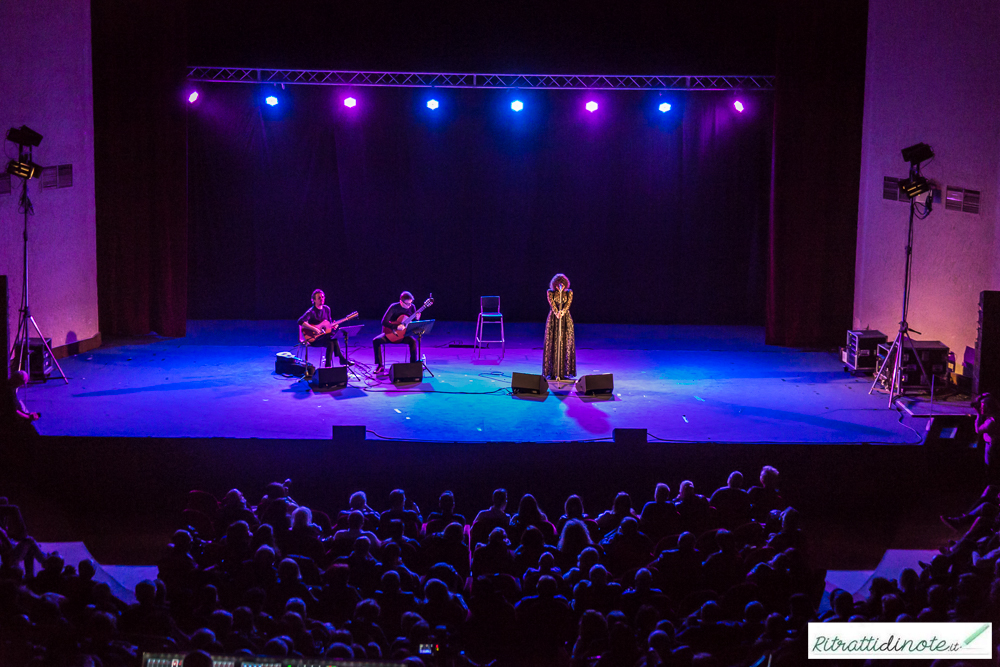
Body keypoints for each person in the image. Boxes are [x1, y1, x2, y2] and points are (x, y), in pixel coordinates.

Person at [297, 289, 349, 367]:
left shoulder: (327, 309)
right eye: (319, 298)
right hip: (314, 338)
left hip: (325, 337)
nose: (322, 299)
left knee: (331, 341)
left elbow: (329, 323)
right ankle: (339, 360)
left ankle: (329, 365)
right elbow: (300, 321)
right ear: (314, 300)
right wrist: (314, 329)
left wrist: (334, 326)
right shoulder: (311, 312)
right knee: (332, 340)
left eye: (322, 297)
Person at [373, 291, 419, 373]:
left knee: (413, 342)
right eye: (407, 304)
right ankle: (380, 366)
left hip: (403, 335)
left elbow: (413, 323)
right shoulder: (394, 307)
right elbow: (384, 322)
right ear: (401, 301)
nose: (409, 306)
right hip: (391, 333)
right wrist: (396, 326)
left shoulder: (412, 307)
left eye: (410, 303)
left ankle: (413, 365)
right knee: (376, 340)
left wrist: (417, 319)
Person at [543, 273, 575, 380]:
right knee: (553, 342)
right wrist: (557, 312)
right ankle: (552, 370)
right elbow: (552, 304)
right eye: (558, 284)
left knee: (565, 342)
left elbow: (568, 304)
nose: (560, 285)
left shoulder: (569, 292)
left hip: (566, 319)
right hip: (553, 318)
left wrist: (563, 312)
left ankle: (565, 371)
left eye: (562, 284)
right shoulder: (550, 292)